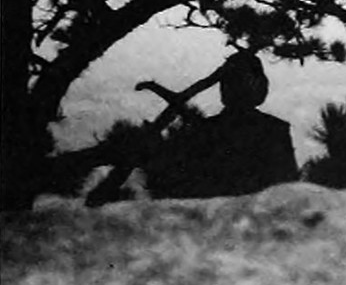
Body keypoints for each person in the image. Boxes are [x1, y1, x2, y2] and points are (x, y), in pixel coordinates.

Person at [85, 49, 298, 204]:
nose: (229, 88)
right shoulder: (274, 129)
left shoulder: (269, 129)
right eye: (228, 82)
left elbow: (287, 186)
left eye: (236, 82)